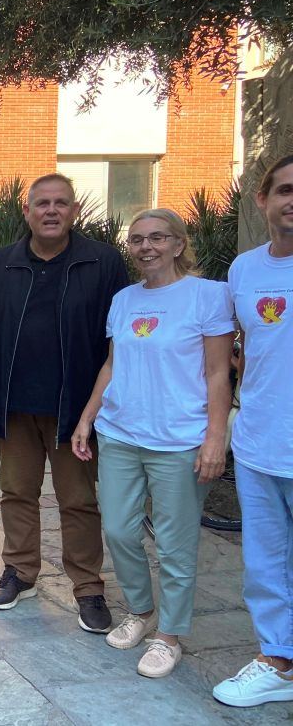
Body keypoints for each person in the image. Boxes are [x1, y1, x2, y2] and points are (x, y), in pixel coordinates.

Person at [0, 173, 129, 632]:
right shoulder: (1, 265)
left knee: (78, 500)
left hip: (75, 410)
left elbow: (119, 340)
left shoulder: (102, 262)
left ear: (74, 211)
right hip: (14, 405)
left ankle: (88, 587)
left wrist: (105, 403)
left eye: (60, 203)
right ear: (27, 211)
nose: (51, 211)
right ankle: (19, 571)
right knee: (17, 492)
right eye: (42, 204)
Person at [72, 209, 234, 677]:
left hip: (180, 440)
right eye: (137, 239)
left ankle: (170, 635)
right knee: (119, 530)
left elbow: (218, 373)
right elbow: (112, 365)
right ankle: (141, 611)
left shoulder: (208, 295)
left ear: (179, 244)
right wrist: (87, 417)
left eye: (158, 238)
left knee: (175, 544)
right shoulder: (124, 299)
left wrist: (215, 438)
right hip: (121, 433)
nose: (146, 247)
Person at [213, 155, 293, 707]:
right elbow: (241, 346)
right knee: (265, 563)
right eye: (285, 190)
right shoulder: (244, 270)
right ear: (262, 200)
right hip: (261, 440)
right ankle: (278, 661)